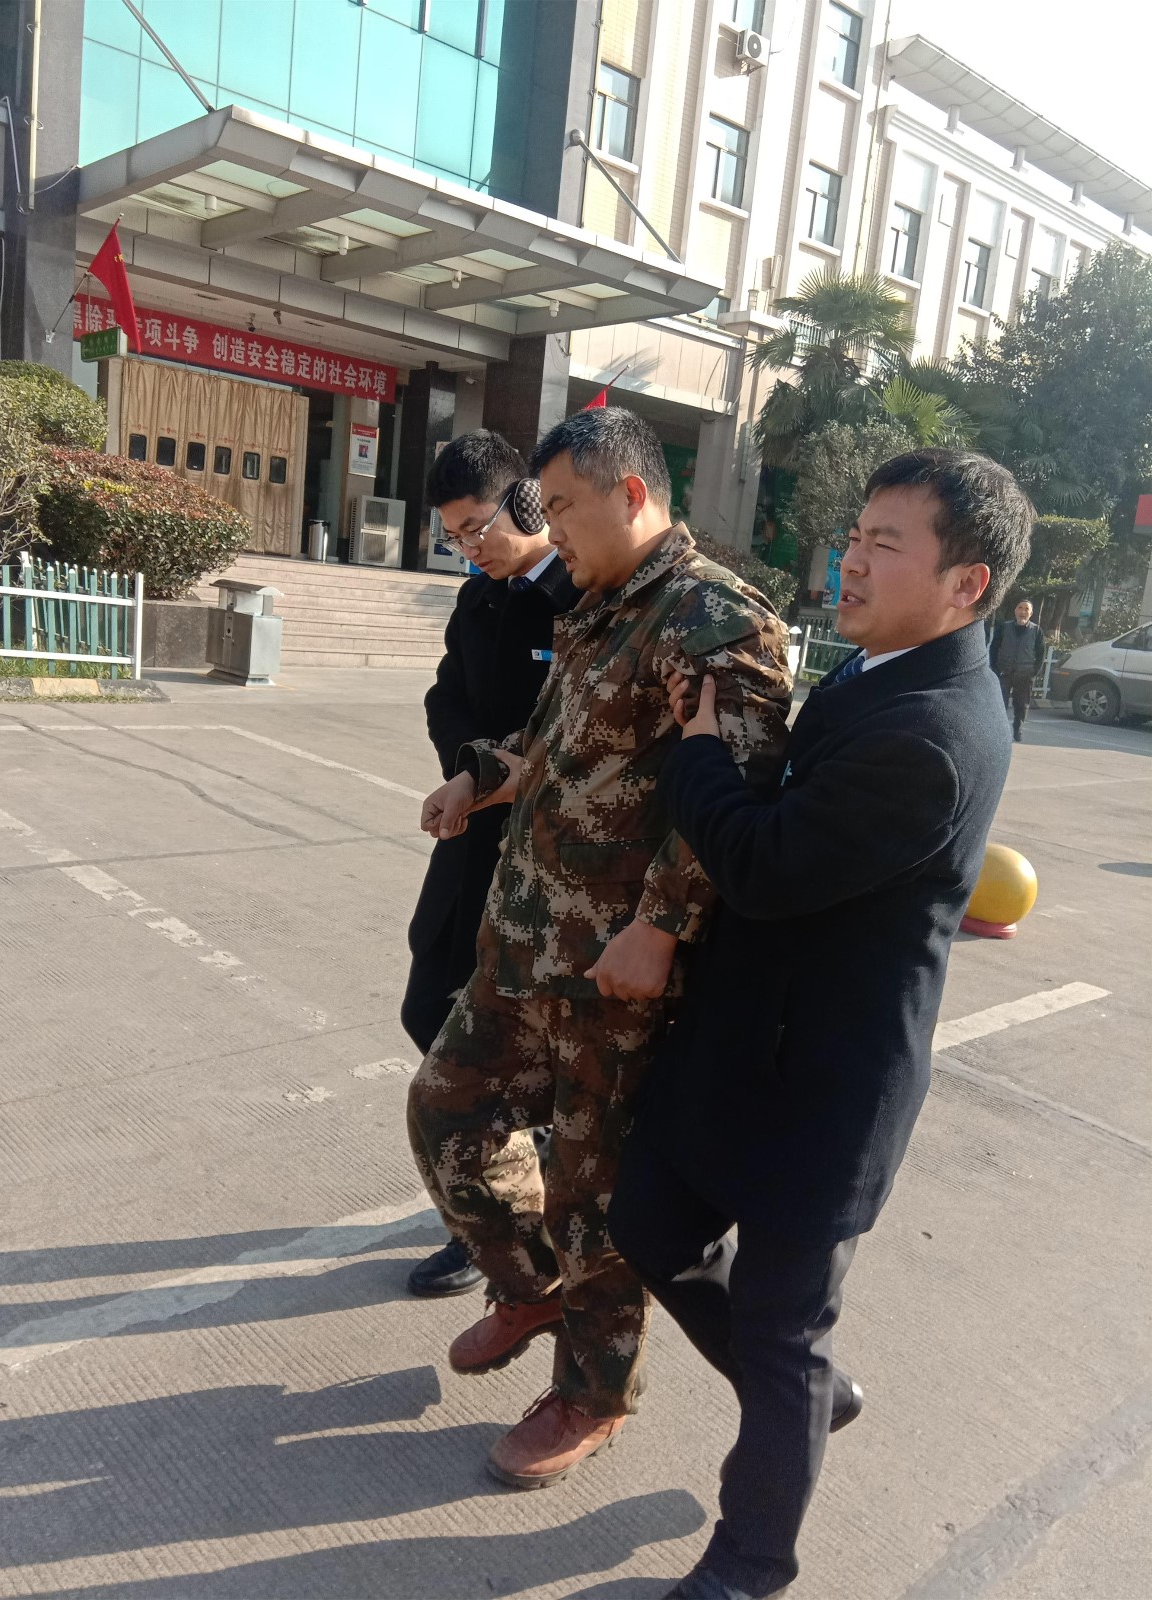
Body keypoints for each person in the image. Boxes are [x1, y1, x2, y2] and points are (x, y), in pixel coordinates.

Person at [608, 449, 1033, 1600]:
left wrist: (698, 756)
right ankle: (804, 1394)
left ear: (965, 584)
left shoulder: (930, 733)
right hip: (744, 1047)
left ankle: (750, 1562)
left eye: (885, 543)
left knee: (781, 1327)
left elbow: (761, 864)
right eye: (855, 533)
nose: (850, 557)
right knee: (648, 1222)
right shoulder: (873, 669)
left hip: (826, 1090)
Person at [407, 407, 793, 1489]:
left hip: (611, 977)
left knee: (591, 1193)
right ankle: (529, 1288)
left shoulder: (713, 620)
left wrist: (659, 928)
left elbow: (734, 800)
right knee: (445, 1110)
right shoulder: (597, 607)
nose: (551, 528)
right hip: (523, 943)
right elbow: (547, 744)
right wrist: (475, 777)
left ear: (630, 494)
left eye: (564, 507)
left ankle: (593, 1390)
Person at [402, 430, 578, 1299]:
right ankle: (502, 1178)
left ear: (528, 501)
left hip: (544, 857)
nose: (469, 548)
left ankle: (492, 1225)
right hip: (471, 839)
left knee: (496, 1048)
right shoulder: (477, 601)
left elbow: (572, 730)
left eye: (477, 528)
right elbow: (446, 696)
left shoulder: (577, 600)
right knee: (426, 1003)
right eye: (453, 537)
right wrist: (466, 773)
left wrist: (488, 775)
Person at [990, 597, 1046, 741]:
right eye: (1020, 608)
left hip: (1024, 674)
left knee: (1021, 705)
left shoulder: (1036, 631)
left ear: (1031, 613)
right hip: (1004, 672)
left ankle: (1017, 729)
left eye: (1026, 609)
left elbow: (1041, 654)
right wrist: (995, 668)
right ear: (1015, 611)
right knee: (1000, 703)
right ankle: (999, 731)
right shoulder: (1004, 627)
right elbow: (994, 647)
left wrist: (1034, 672)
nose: (1023, 611)